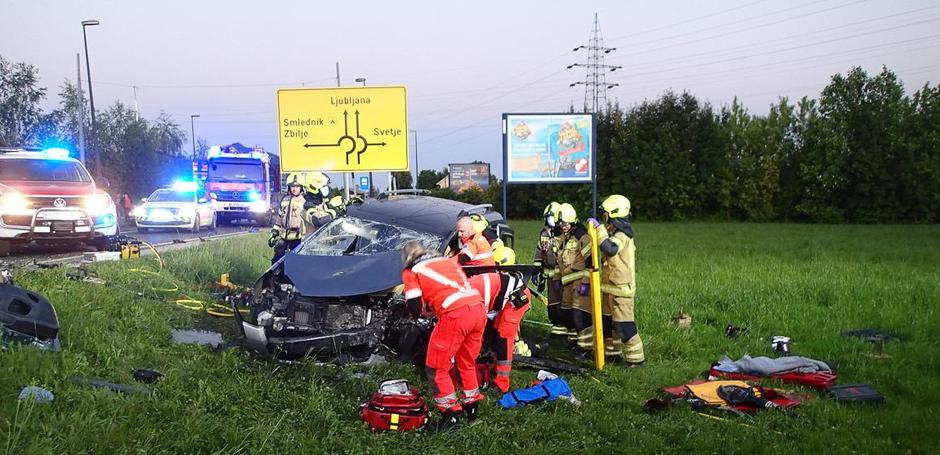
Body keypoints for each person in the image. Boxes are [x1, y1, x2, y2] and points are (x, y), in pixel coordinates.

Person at [401, 241, 487, 431]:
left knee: (436, 367)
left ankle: (450, 415)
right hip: (478, 308)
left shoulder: (411, 270)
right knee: (466, 362)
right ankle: (472, 409)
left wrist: (421, 312)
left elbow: (414, 306)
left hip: (455, 316)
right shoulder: (447, 260)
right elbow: (450, 287)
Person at [589, 194, 644, 366]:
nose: (604, 219)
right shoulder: (615, 232)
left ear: (613, 213)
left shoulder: (623, 234)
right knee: (608, 325)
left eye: (605, 215)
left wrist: (600, 231)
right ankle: (613, 354)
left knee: (624, 327)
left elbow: (610, 249)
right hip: (608, 288)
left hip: (621, 290)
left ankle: (636, 360)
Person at [468, 246, 530, 393]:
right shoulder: (490, 278)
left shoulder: (507, 279)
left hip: (516, 300)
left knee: (504, 339)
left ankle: (502, 383)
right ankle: (493, 368)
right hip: (505, 299)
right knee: (495, 332)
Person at [556, 203, 591, 349]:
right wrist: (557, 279)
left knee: (580, 316)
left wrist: (586, 282)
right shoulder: (565, 238)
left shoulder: (581, 236)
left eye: (565, 223)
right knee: (566, 314)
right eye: (561, 223)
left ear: (572, 221)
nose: (563, 226)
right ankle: (573, 342)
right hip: (567, 284)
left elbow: (591, 261)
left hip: (579, 283)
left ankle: (585, 347)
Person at [534, 202, 566, 337]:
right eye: (547, 218)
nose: (549, 221)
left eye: (552, 218)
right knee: (553, 305)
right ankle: (557, 330)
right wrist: (537, 271)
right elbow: (540, 251)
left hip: (564, 277)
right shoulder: (545, 233)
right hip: (550, 277)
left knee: (564, 304)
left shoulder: (565, 235)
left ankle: (567, 331)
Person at [269, 173, 307, 264]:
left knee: (295, 264)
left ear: (301, 187)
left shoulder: (305, 202)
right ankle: (276, 278)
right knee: (276, 263)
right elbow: (279, 218)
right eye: (292, 186)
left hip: (298, 239)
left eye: (297, 186)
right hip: (283, 238)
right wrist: (274, 233)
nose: (294, 189)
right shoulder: (284, 200)